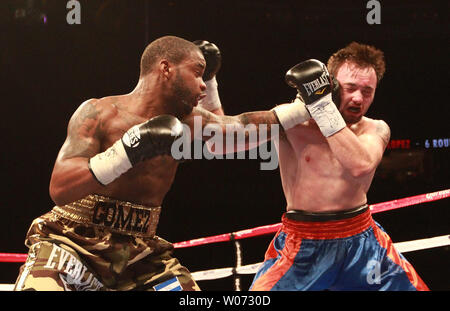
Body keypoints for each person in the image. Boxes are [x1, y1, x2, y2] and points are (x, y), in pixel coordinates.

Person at [192, 42, 428, 290]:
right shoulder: (293, 122)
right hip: (304, 245)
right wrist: (209, 82)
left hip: (362, 243)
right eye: (350, 88)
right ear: (332, 84)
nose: (358, 98)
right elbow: (220, 143)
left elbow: (360, 165)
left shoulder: (375, 128)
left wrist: (322, 105)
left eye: (367, 91)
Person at [13, 35, 224, 291]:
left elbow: (228, 134)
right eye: (197, 74)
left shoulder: (187, 123)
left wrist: (289, 111)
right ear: (166, 68)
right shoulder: (100, 112)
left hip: (140, 257)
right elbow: (59, 187)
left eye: (204, 77)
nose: (201, 85)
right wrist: (126, 151)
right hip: (71, 242)